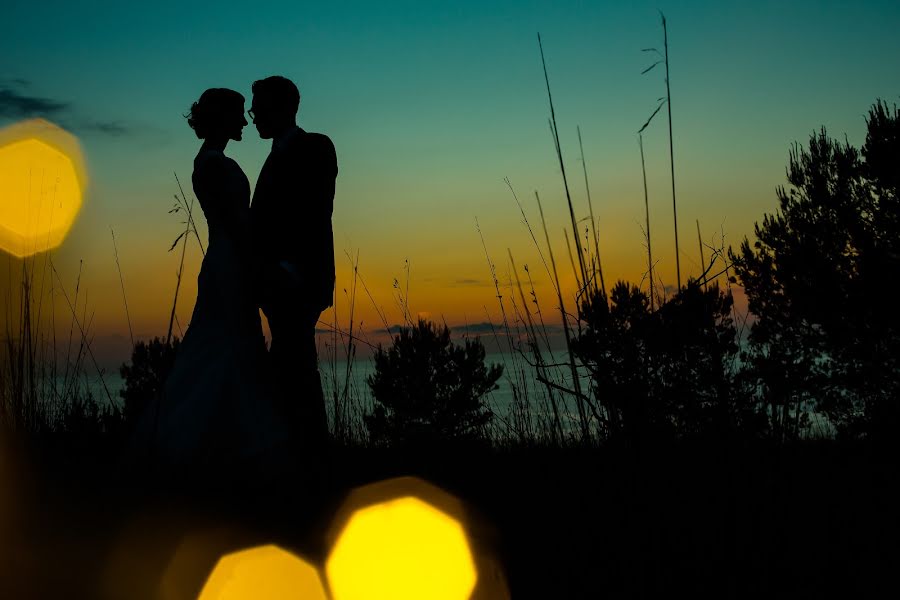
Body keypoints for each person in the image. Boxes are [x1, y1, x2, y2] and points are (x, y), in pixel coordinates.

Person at [135, 88, 287, 469]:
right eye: (238, 114)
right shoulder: (213, 164)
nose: (243, 122)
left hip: (227, 261)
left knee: (228, 347)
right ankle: (202, 441)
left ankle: (223, 441)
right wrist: (259, 265)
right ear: (222, 118)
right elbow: (237, 225)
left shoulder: (210, 161)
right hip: (230, 264)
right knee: (224, 347)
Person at [249, 76, 337, 453]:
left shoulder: (316, 147)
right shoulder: (270, 158)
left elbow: (316, 211)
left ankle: (309, 452)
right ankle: (299, 449)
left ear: (286, 108)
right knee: (290, 362)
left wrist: (288, 269)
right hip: (274, 284)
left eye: (260, 109)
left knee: (294, 362)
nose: (254, 118)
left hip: (300, 281)